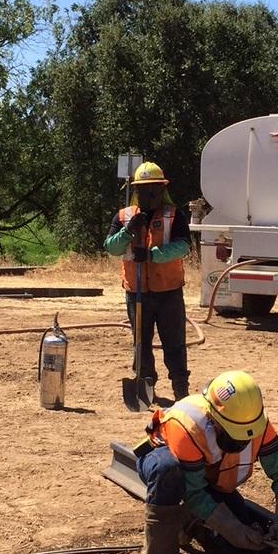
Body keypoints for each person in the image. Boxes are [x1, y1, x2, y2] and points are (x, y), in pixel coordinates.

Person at [134, 370, 278, 554]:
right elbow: (193, 491)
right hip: (167, 468)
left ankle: (190, 523)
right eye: (233, 434)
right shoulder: (188, 423)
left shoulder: (256, 422)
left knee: (247, 532)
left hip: (211, 476)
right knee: (168, 471)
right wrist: (229, 527)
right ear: (213, 418)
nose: (241, 443)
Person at [104, 161, 191, 403]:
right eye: (143, 189)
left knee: (174, 342)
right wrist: (128, 231)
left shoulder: (174, 215)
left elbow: (183, 246)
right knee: (141, 342)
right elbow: (111, 248)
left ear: (162, 189)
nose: (148, 194)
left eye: (153, 188)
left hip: (168, 292)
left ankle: (180, 388)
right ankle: (145, 384)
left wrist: (153, 255)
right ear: (135, 191)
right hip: (137, 292)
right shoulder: (124, 217)